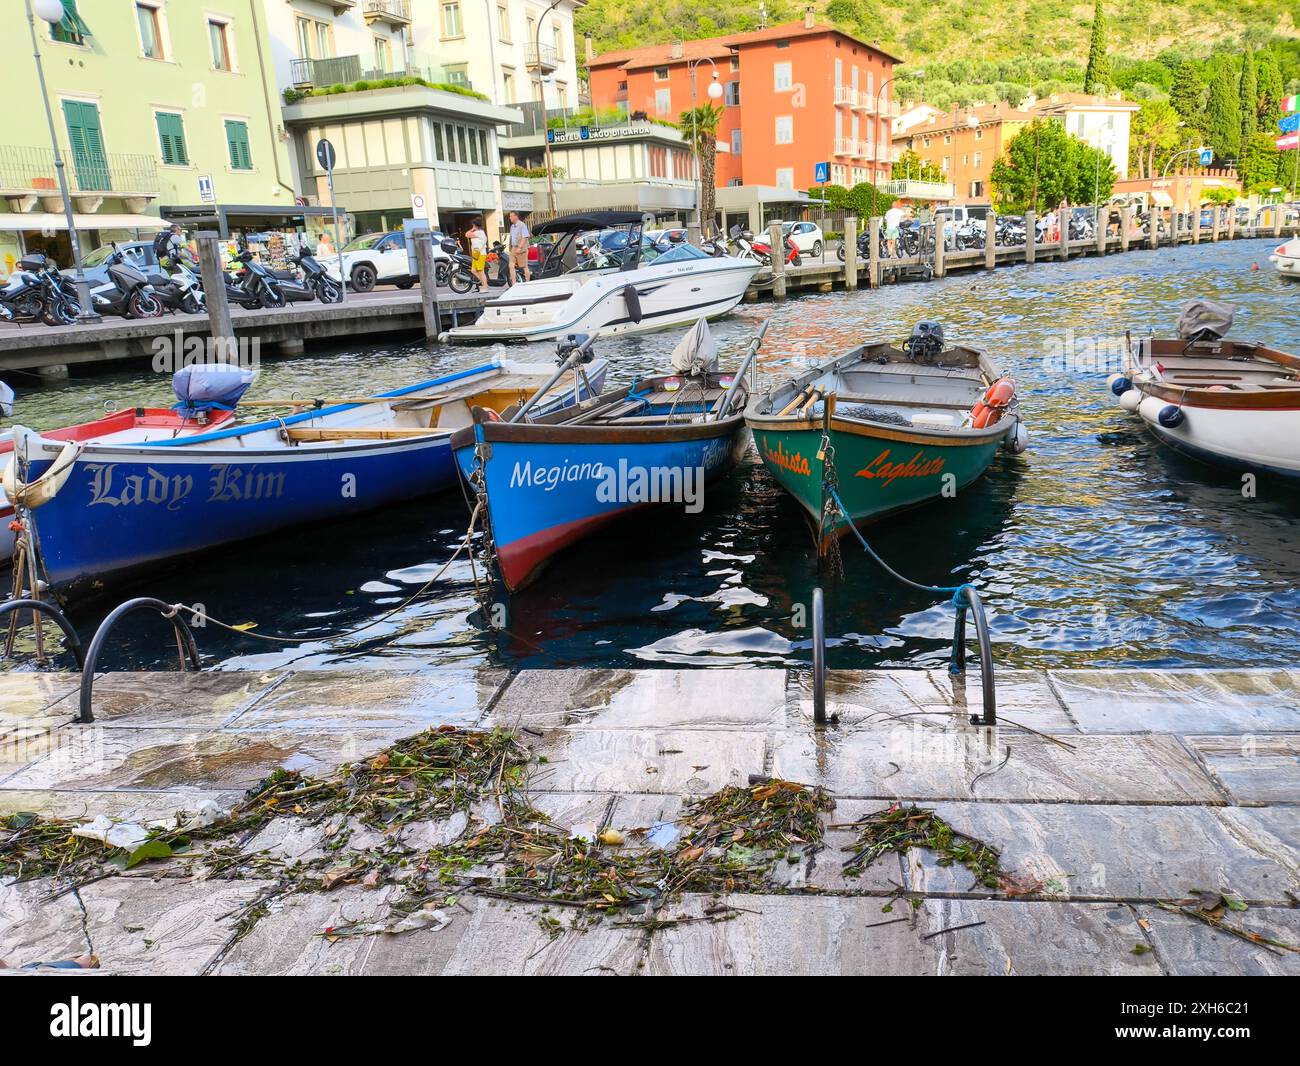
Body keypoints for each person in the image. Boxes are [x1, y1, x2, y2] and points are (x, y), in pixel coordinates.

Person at [507, 210, 530, 284]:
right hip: (513, 248)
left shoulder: (522, 225)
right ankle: (514, 283)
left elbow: (525, 237)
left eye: (511, 216)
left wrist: (519, 248)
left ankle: (527, 282)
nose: (510, 218)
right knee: (511, 265)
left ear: (516, 216)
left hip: (522, 248)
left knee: (524, 267)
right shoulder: (512, 226)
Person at [466, 218, 488, 289]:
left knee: (480, 271)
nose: (472, 227)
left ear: (475, 225)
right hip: (476, 254)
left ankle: (485, 286)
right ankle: (484, 283)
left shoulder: (479, 232)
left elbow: (467, 234)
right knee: (473, 270)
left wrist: (472, 229)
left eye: (473, 225)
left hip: (480, 254)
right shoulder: (478, 232)